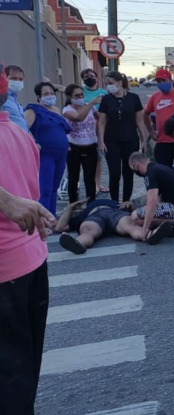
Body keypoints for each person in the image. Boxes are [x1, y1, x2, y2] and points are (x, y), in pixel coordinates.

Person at [0, 63, 57, 415]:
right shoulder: (19, 134)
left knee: (7, 373)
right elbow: (33, 192)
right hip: (32, 259)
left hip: (5, 269)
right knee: (23, 366)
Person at [98, 71, 149, 206]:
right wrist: (101, 141)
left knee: (129, 172)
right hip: (111, 140)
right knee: (114, 172)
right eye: (107, 83)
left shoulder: (134, 98)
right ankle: (114, 202)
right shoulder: (106, 99)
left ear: (119, 83)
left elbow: (139, 121)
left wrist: (144, 140)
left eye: (110, 83)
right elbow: (102, 122)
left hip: (130, 139)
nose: (109, 86)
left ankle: (126, 201)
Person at [55, 198, 174, 254]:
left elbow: (136, 214)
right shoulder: (82, 213)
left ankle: (151, 234)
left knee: (130, 224)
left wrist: (130, 204)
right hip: (94, 216)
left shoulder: (115, 202)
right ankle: (78, 244)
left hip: (115, 212)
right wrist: (70, 208)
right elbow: (60, 227)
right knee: (87, 230)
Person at [128, 152, 174, 241]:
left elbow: (152, 202)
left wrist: (144, 228)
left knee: (135, 217)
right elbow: (158, 197)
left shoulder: (150, 175)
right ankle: (167, 222)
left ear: (135, 165)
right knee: (147, 211)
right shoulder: (156, 167)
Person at [24, 81, 71, 215]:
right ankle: (43, 219)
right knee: (45, 189)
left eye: (51, 93)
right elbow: (24, 127)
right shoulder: (33, 109)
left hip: (61, 154)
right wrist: (34, 142)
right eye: (46, 94)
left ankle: (51, 217)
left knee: (54, 188)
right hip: (45, 154)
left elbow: (61, 129)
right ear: (39, 97)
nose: (49, 96)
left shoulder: (56, 110)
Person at [62, 84, 103, 203]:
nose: (80, 97)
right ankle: (73, 204)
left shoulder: (91, 108)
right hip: (74, 147)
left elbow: (99, 119)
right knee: (73, 178)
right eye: (77, 95)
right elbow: (79, 118)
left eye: (82, 94)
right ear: (70, 97)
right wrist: (91, 103)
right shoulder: (67, 110)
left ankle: (91, 204)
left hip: (90, 146)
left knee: (90, 178)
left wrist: (100, 139)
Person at [82, 68, 109, 194]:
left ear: (96, 77)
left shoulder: (103, 93)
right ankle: (89, 184)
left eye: (92, 75)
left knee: (99, 157)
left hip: (99, 128)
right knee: (87, 158)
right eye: (86, 76)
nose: (89, 78)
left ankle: (98, 184)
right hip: (84, 129)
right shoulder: (81, 92)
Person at [2, 64, 29, 132]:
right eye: (13, 78)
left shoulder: (15, 101)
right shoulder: (2, 99)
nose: (18, 81)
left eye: (20, 79)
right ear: (5, 78)